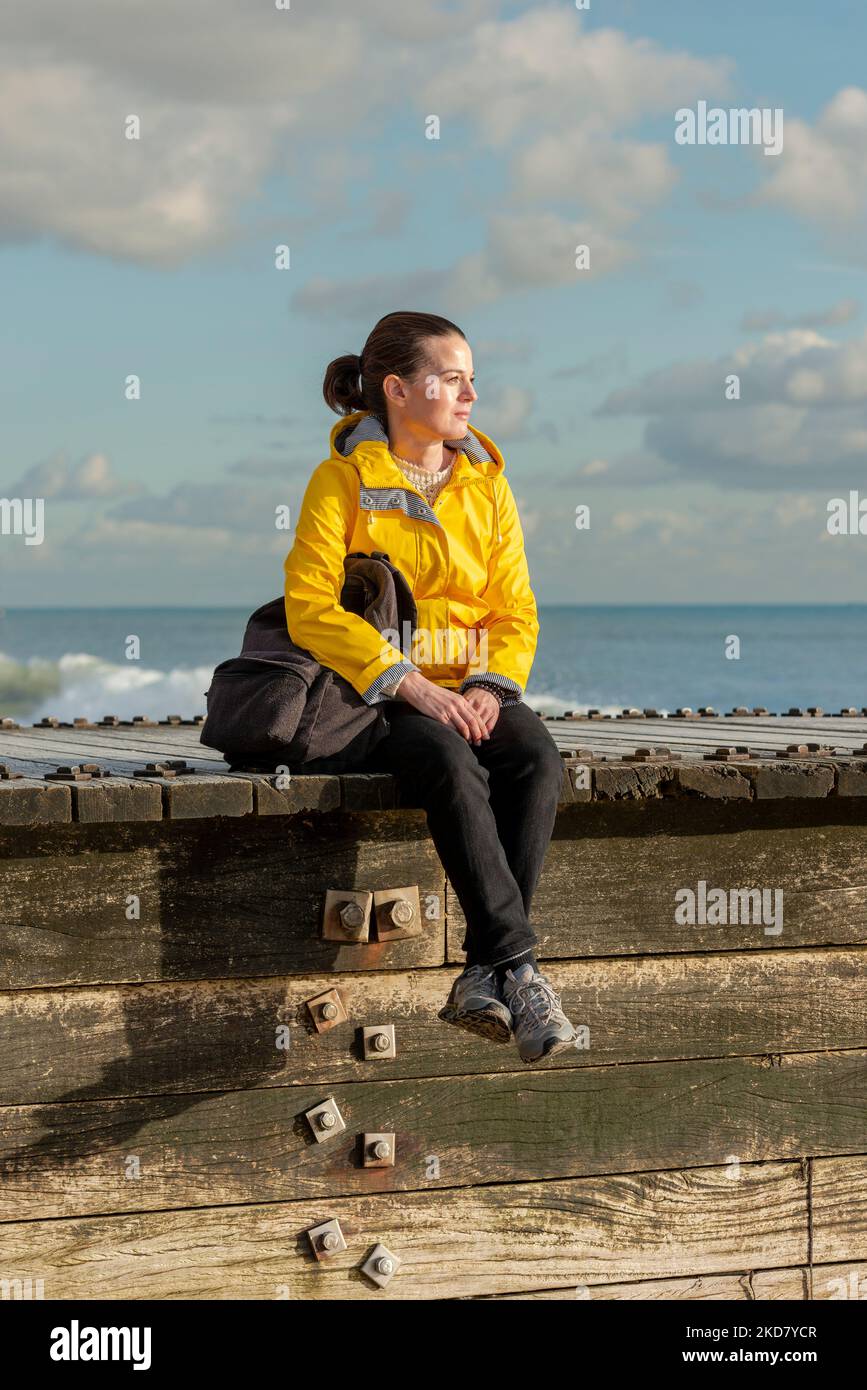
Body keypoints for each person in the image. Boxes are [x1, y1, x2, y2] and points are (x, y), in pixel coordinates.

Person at [282, 310, 579, 1063]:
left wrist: (489, 688)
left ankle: (486, 969)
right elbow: (309, 607)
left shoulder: (487, 486)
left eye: (471, 379)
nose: (469, 394)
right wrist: (409, 683)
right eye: (449, 378)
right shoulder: (343, 480)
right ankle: (518, 970)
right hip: (377, 697)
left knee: (536, 760)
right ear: (397, 390)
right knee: (448, 764)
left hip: (470, 686)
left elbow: (514, 608)